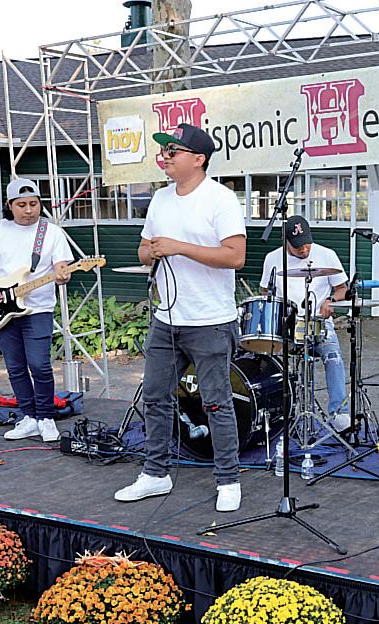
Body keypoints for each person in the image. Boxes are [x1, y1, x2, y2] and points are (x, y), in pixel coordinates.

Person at [114, 123, 247, 512]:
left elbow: (235, 256)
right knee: (155, 396)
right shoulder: (160, 199)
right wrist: (151, 252)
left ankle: (228, 479)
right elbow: (143, 249)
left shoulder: (220, 198)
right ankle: (155, 473)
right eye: (164, 150)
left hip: (210, 320)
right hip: (166, 318)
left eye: (173, 151)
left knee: (216, 401)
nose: (165, 156)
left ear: (198, 159)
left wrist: (180, 247)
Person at [0, 178, 72, 443]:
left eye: (34, 204)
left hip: (39, 309)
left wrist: (63, 275)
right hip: (1, 308)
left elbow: (61, 267)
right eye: (22, 205)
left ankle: (46, 418)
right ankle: (28, 417)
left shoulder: (51, 233)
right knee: (15, 367)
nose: (28, 210)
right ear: (10, 205)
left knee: (39, 365)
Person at [259, 215, 350, 431]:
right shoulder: (273, 259)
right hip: (287, 324)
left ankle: (339, 413)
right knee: (273, 366)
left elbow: (342, 289)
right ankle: (283, 414)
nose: (304, 249)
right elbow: (264, 293)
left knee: (334, 357)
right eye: (298, 246)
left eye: (307, 243)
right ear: (287, 242)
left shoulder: (327, 255)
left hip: (319, 322)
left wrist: (331, 301)